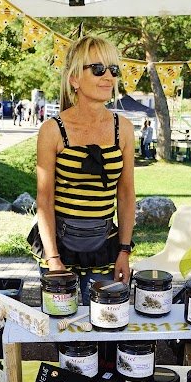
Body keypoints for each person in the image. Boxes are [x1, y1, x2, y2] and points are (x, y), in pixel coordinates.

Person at [28, 34, 136, 302]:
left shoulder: (123, 129)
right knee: (61, 327)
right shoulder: (53, 130)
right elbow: (45, 199)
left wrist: (124, 250)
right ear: (74, 79)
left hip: (105, 246)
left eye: (113, 70)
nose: (108, 77)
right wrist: (52, 259)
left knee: (105, 322)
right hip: (59, 245)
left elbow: (125, 195)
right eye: (98, 69)